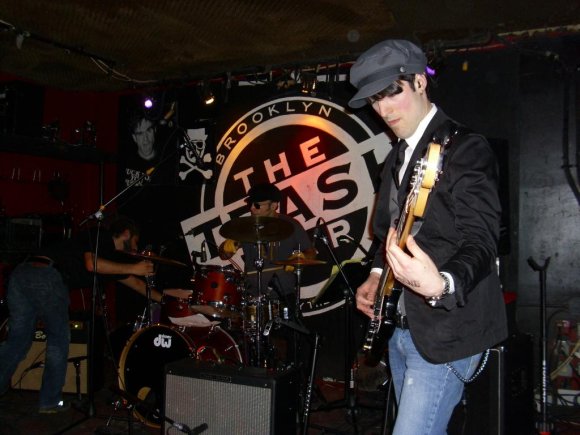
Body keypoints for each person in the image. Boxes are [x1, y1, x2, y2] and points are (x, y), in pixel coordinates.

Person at [349, 39, 508, 434]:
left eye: (392, 93)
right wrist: (374, 274)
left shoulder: (464, 149)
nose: (383, 110)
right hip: (402, 331)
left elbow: (483, 241)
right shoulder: (397, 156)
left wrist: (443, 282)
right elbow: (387, 232)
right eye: (374, 101)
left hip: (446, 332)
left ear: (420, 81)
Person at [0, 216, 161, 413]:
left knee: (17, 341)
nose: (135, 248)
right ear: (126, 234)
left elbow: (135, 283)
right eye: (136, 241)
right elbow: (92, 264)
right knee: (58, 340)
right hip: (47, 275)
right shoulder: (100, 236)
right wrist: (135, 267)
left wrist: (165, 299)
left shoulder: (111, 261)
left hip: (23, 273)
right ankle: (49, 402)